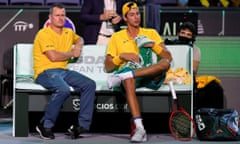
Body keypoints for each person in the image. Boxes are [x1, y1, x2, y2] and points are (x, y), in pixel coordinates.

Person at [104, 2, 172, 142]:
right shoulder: (116, 37)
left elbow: (168, 57)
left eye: (138, 14)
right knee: (129, 79)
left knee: (164, 63)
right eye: (132, 15)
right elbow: (108, 66)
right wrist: (121, 57)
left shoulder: (151, 33)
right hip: (132, 78)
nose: (136, 17)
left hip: (151, 74)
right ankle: (140, 127)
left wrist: (153, 45)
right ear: (125, 18)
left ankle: (127, 75)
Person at [33, 3, 96, 140]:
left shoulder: (68, 32)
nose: (61, 18)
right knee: (63, 90)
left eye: (63, 15)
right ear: (50, 18)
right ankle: (45, 124)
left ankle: (81, 125)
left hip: (63, 71)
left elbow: (79, 38)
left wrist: (79, 45)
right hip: (45, 71)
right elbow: (53, 56)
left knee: (89, 84)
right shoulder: (44, 34)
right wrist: (72, 53)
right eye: (57, 15)